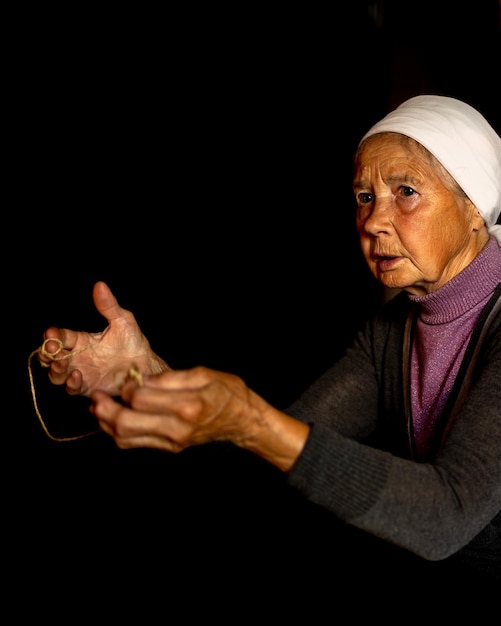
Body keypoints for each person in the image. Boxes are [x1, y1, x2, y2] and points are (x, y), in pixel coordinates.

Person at [37, 95, 501, 584]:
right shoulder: (392, 332)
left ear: (473, 206)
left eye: (405, 191)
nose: (373, 222)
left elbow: (447, 516)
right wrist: (151, 376)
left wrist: (251, 421)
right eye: (365, 197)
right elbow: (277, 449)